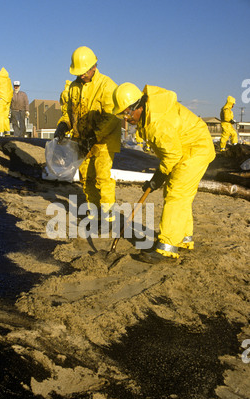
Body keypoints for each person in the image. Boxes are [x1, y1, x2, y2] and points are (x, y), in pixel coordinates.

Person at [112, 82, 216, 264]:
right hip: (188, 147)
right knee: (179, 194)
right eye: (122, 115)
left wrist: (157, 178)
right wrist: (159, 177)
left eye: (127, 113)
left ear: (138, 106)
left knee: (176, 195)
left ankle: (167, 249)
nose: (126, 119)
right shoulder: (150, 113)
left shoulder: (156, 123)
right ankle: (183, 239)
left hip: (194, 150)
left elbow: (172, 155)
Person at [54, 46, 121, 222]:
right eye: (79, 73)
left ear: (93, 67)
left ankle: (107, 218)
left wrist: (94, 137)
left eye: (84, 72)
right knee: (86, 178)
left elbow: (112, 117)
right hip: (81, 141)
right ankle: (94, 212)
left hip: (103, 142)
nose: (82, 75)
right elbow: (70, 112)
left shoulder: (107, 85)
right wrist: (63, 124)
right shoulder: (74, 87)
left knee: (102, 178)